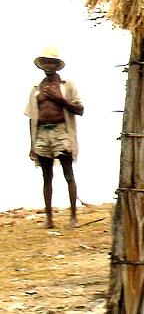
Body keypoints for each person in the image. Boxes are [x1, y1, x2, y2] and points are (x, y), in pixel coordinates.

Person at [24, 47, 84, 228]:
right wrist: (32, 144)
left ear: (57, 65)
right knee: (46, 176)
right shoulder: (36, 88)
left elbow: (80, 110)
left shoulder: (67, 85)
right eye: (45, 62)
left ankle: (73, 217)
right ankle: (49, 219)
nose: (48, 65)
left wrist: (61, 100)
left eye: (52, 62)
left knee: (68, 173)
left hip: (62, 132)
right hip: (42, 133)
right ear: (41, 66)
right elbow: (30, 118)